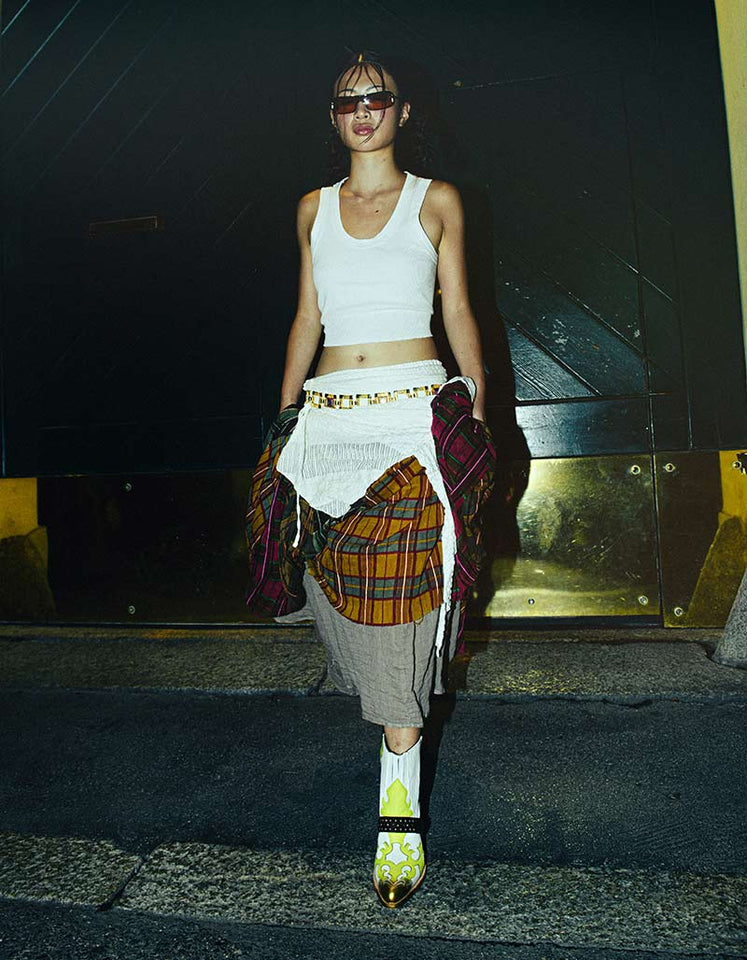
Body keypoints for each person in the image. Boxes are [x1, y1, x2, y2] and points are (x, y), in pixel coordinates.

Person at [245, 51, 495, 908]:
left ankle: (397, 808)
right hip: (329, 424)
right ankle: (395, 717)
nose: (362, 110)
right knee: (337, 592)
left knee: (402, 605)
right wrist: (284, 421)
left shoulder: (436, 200)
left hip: (411, 423)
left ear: (402, 111)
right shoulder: (311, 208)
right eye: (347, 100)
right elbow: (307, 316)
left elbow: (457, 307)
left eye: (376, 98)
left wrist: (476, 408)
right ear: (332, 116)